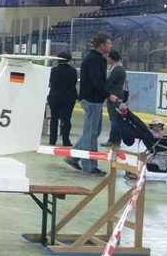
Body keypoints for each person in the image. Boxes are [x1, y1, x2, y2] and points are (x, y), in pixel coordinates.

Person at [67, 32, 120, 175]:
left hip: (95, 99)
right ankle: (89, 166)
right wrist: (109, 95)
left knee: (93, 132)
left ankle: (73, 156)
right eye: (109, 43)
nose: (111, 46)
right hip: (91, 99)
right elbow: (96, 81)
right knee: (91, 134)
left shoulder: (97, 59)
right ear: (102, 45)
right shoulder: (94, 60)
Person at [47, 51, 77, 147]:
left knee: (54, 118)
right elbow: (74, 83)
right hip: (69, 97)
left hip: (55, 96)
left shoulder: (53, 70)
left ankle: (52, 140)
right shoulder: (73, 71)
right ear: (69, 60)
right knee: (67, 119)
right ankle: (66, 140)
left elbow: (50, 82)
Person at [101, 49, 127, 148]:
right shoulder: (116, 67)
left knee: (114, 118)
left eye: (108, 57)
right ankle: (115, 139)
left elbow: (108, 81)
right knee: (114, 117)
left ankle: (113, 139)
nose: (107, 59)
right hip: (116, 93)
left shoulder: (117, 69)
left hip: (115, 94)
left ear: (112, 58)